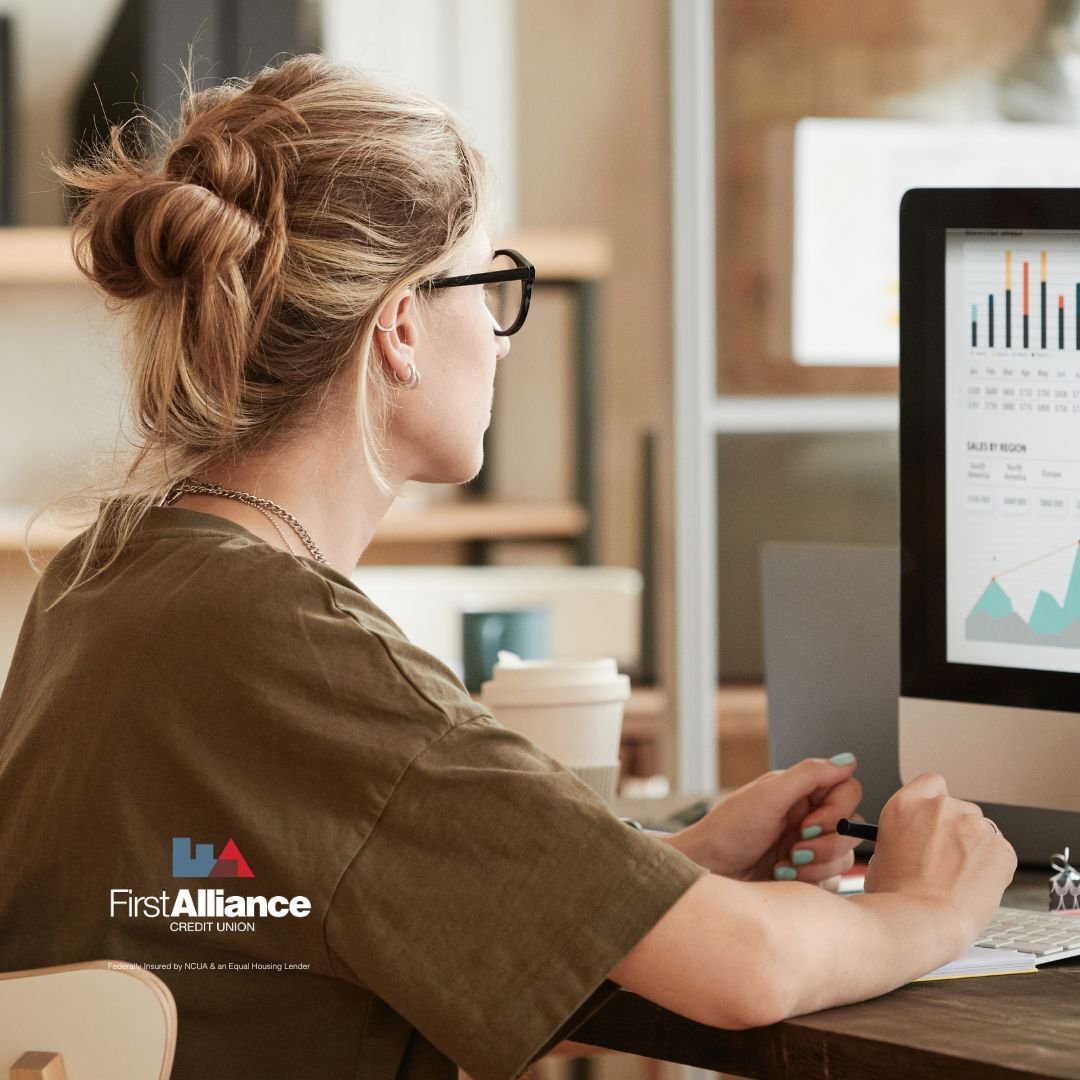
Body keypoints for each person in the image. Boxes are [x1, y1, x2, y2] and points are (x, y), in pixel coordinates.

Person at [0, 54, 1017, 1080]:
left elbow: (317, 897)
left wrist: (668, 867)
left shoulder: (107, 577)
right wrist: (930, 907)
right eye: (488, 288)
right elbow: (747, 970)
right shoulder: (300, 653)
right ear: (399, 326)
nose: (501, 340)